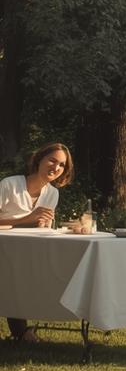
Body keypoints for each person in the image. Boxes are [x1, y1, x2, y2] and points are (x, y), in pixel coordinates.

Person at [2, 143, 72, 341]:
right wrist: (26, 219)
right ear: (39, 159)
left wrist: (43, 225)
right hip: (4, 250)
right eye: (52, 160)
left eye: (62, 165)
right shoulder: (10, 185)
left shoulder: (52, 193)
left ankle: (28, 327)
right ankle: (21, 331)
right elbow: (26, 221)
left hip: (26, 250)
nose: (56, 167)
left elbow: (42, 228)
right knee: (14, 272)